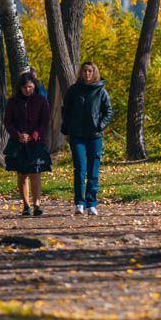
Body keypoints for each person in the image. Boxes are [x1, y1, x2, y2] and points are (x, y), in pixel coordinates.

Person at [61, 61, 113, 216]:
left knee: (93, 170)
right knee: (80, 169)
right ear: (80, 73)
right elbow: (66, 110)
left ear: (94, 72)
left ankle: (91, 203)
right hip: (77, 136)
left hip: (94, 136)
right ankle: (79, 202)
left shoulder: (101, 91)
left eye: (90, 71)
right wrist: (69, 126)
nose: (87, 74)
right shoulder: (73, 90)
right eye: (84, 71)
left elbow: (108, 110)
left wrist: (100, 125)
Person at [4, 72, 52, 216]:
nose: (28, 90)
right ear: (20, 87)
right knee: (22, 174)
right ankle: (26, 205)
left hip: (36, 142)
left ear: (34, 86)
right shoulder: (13, 102)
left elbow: (45, 121)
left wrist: (34, 135)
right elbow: (8, 121)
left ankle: (37, 204)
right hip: (18, 142)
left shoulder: (41, 100)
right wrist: (17, 134)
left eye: (30, 87)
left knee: (36, 173)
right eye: (25, 87)